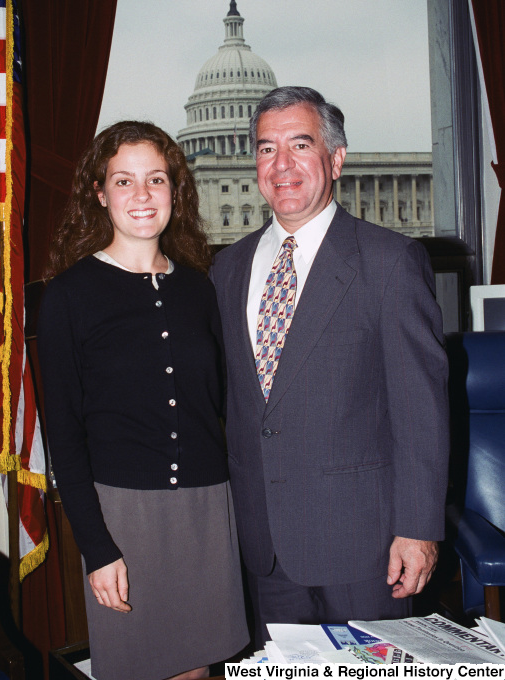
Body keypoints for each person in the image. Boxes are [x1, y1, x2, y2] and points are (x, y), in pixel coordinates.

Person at [210, 87, 449, 644]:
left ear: (336, 159)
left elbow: (420, 411)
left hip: (366, 546)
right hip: (264, 545)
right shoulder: (227, 268)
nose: (282, 165)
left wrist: (418, 529)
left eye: (300, 144)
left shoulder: (390, 261)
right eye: (267, 149)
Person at [37, 121, 248, 680]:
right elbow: (64, 436)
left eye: (155, 179)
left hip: (205, 510)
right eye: (124, 181)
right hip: (122, 517)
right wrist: (97, 547)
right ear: (100, 194)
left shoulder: (199, 289)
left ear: (175, 193)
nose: (141, 195)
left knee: (196, 672)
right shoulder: (68, 296)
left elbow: (219, 408)